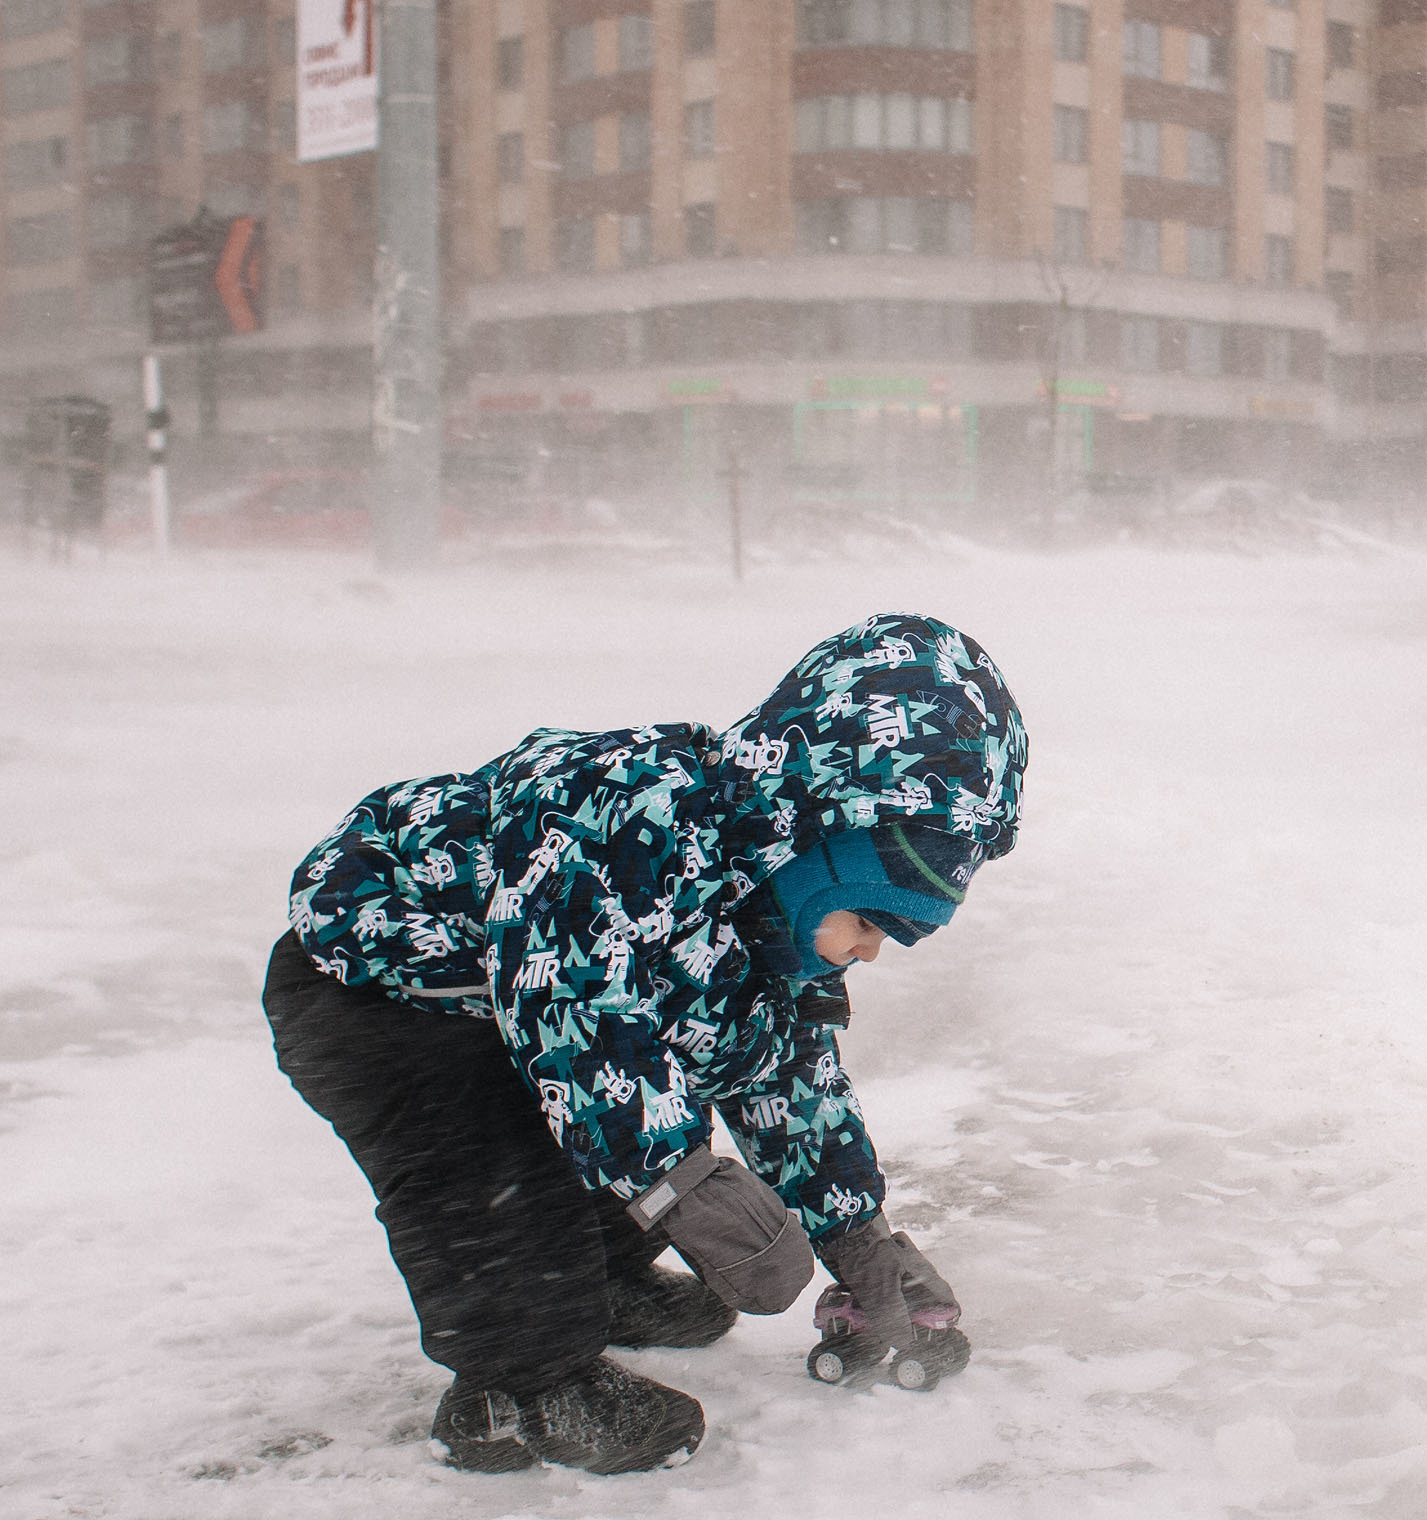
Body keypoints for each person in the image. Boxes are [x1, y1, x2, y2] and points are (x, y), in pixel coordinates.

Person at [265, 612, 1029, 1475]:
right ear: (804, 851)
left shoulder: (769, 917)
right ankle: (519, 1388)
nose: (867, 952)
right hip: (381, 998)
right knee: (504, 1158)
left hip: (523, 1017)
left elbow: (786, 1080)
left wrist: (857, 1234)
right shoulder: (623, 811)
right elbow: (577, 1007)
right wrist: (679, 1185)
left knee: (639, 1104)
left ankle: (599, 1282)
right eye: (866, 920)